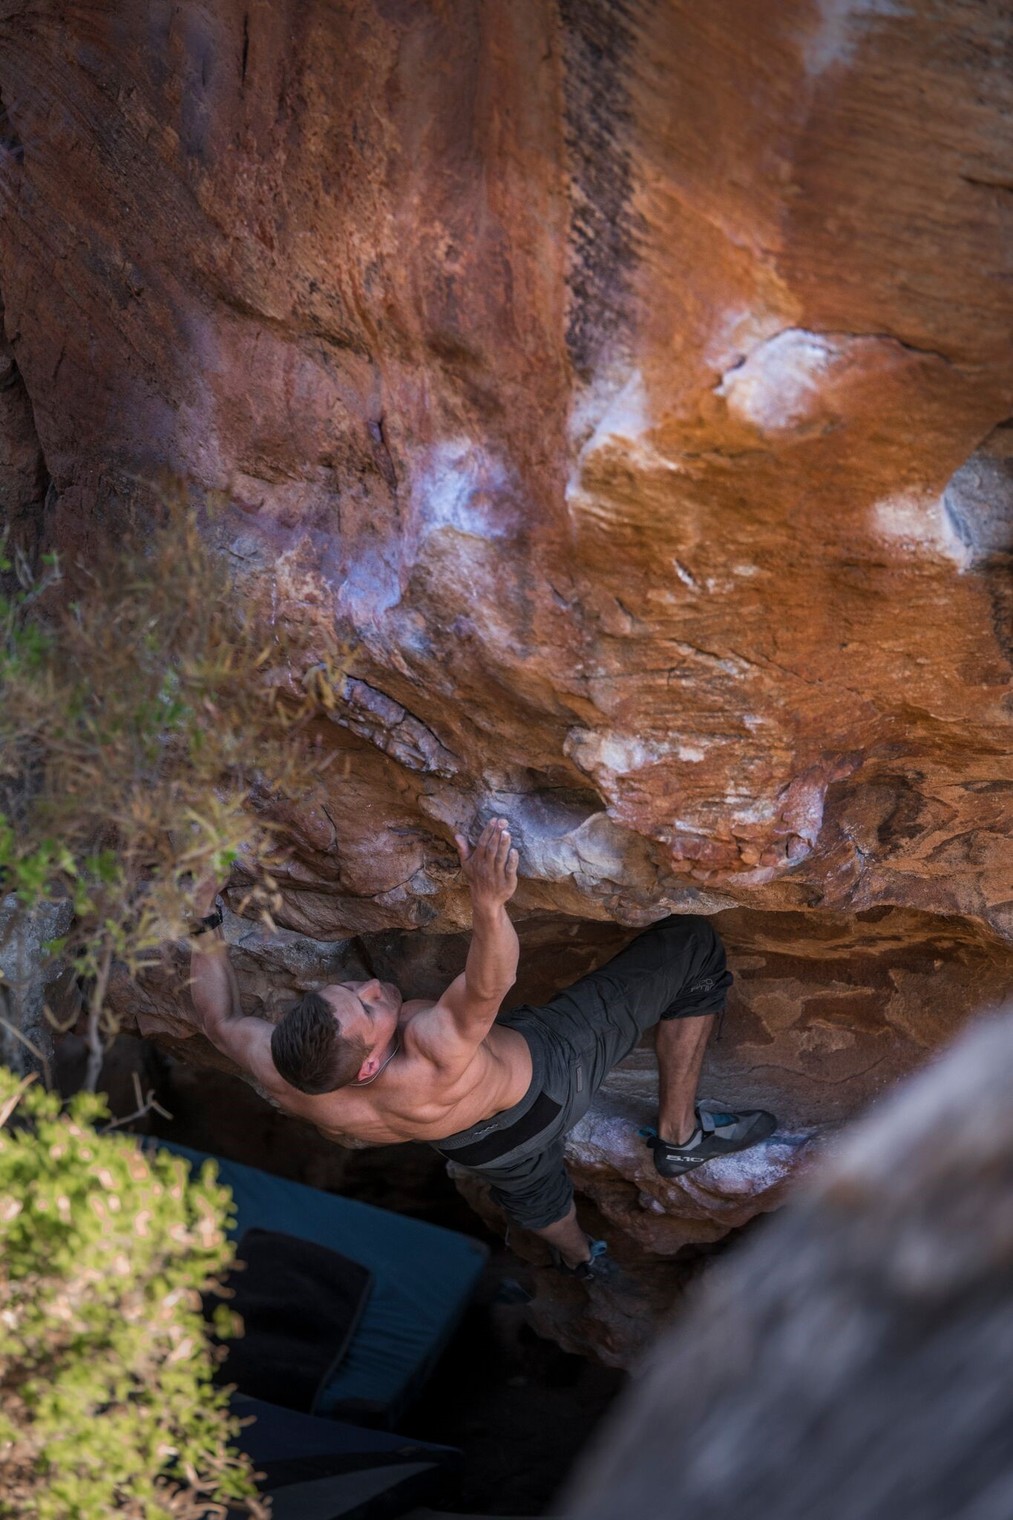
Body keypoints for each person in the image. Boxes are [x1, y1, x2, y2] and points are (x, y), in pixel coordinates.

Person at [190, 818, 775, 1278]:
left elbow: (219, 1021)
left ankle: (580, 1258)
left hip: (474, 1146)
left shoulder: (290, 1076)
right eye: (369, 1008)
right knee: (694, 946)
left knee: (533, 1194)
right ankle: (680, 1138)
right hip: (552, 1080)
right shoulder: (430, 1045)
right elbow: (489, 985)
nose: (369, 987)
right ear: (368, 1064)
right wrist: (489, 904)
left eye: (349, 989)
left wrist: (201, 919)